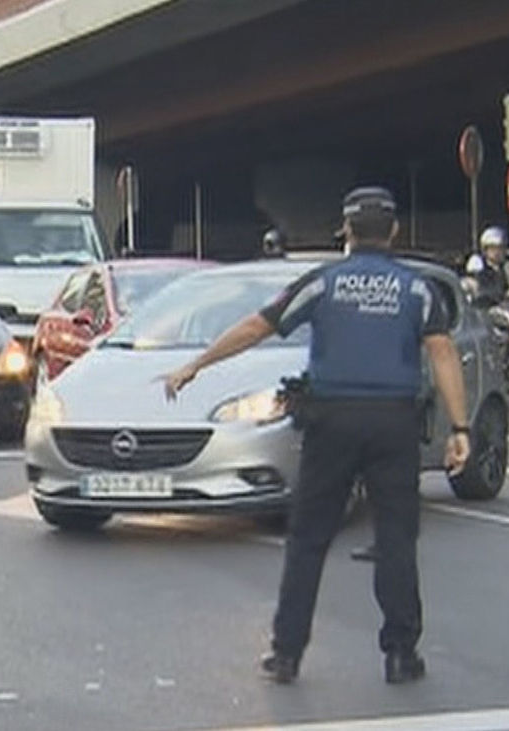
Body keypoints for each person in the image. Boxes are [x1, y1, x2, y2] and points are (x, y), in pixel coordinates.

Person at [161, 186, 471, 685]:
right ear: (394, 231)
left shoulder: (323, 284)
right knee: (395, 540)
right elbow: (443, 354)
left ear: (346, 231)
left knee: (307, 538)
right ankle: (400, 654)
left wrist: (195, 365)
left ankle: (286, 653)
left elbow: (256, 327)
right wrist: (460, 428)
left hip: (332, 422)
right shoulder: (416, 289)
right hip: (394, 423)